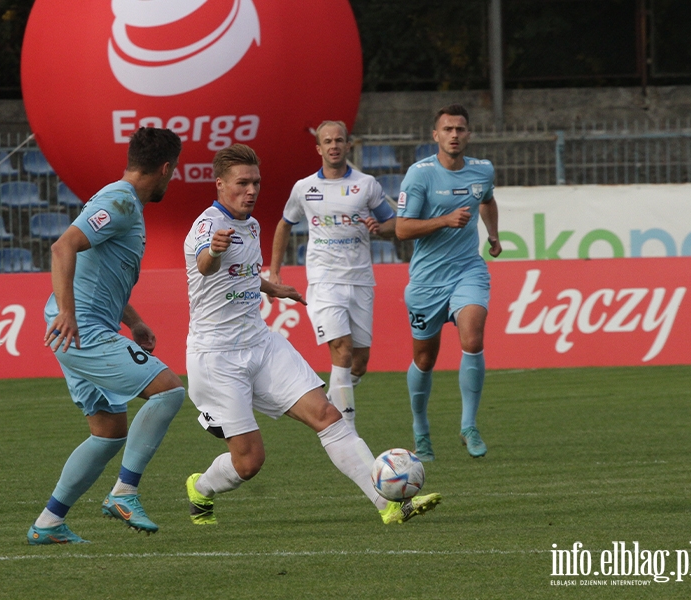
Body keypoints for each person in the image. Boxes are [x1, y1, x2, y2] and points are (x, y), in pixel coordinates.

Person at [183, 143, 441, 526]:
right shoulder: (208, 226)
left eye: (256, 182)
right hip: (216, 357)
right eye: (242, 183)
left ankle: (388, 504)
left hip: (261, 343)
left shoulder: (251, 225)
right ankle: (201, 488)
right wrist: (215, 252)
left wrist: (273, 288)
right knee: (249, 462)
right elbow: (205, 265)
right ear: (220, 184)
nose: (251, 190)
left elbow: (244, 272)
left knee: (327, 415)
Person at [27, 127, 185, 544]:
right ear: (166, 168)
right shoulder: (119, 202)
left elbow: (100, 268)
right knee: (168, 391)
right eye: (174, 172)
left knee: (109, 430)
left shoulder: (121, 200)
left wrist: (132, 321)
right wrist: (67, 312)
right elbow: (63, 248)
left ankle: (48, 524)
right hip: (81, 329)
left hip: (79, 326)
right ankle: (124, 492)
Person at [268, 120, 397, 431]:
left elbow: (394, 226)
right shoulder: (304, 188)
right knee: (341, 346)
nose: (334, 145)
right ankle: (345, 429)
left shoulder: (367, 185)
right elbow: (285, 224)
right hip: (324, 280)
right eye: (328, 141)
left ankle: (327, 401)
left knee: (359, 363)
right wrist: (274, 271)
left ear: (348, 146)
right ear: (319, 148)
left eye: (339, 140)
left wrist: (380, 229)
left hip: (361, 280)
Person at [395, 104, 502, 461]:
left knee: (473, 338)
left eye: (460, 129)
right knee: (424, 360)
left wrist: (493, 235)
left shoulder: (482, 170)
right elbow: (402, 229)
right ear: (435, 135)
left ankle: (469, 425)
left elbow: (487, 199)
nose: (454, 135)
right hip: (426, 281)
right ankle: (421, 431)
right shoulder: (419, 175)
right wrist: (444, 220)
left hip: (467, 270)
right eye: (448, 129)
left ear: (468, 134)